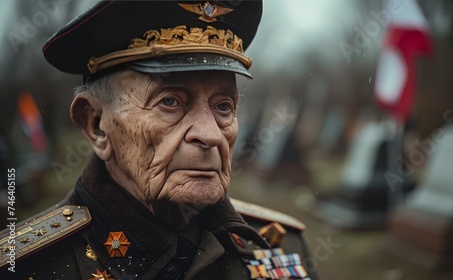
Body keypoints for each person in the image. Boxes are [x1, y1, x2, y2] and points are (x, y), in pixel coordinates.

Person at [0, 1, 318, 279]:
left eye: (223, 106)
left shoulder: (279, 245)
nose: (209, 134)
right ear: (96, 125)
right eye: (170, 102)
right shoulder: (26, 267)